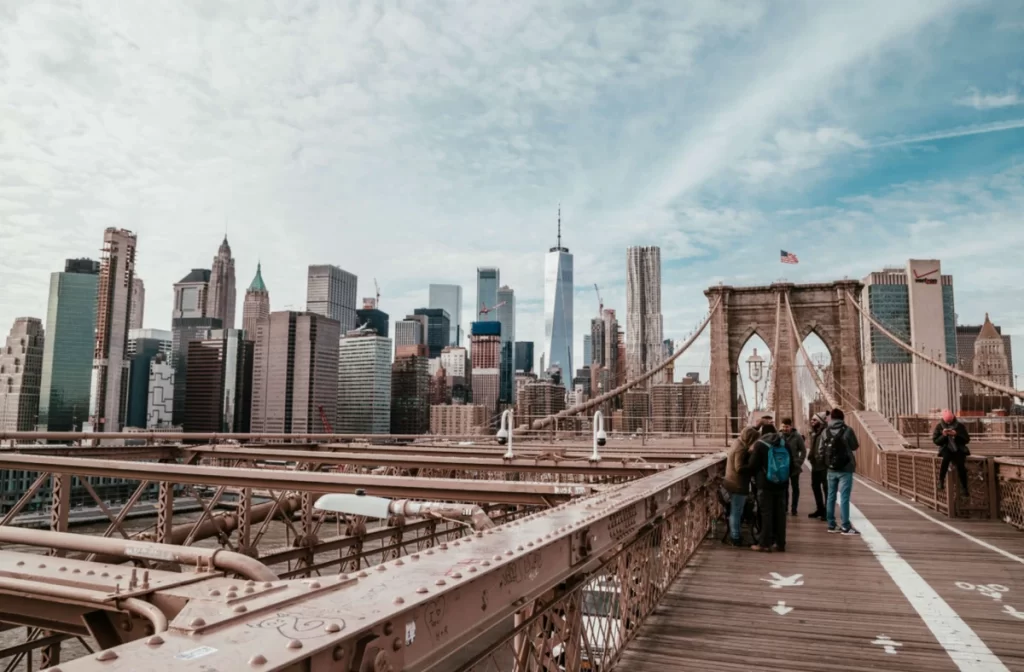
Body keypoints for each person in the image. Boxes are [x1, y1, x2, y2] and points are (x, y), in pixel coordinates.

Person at [746, 423, 793, 552]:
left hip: (765, 485)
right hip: (782, 484)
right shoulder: (784, 443)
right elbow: (792, 464)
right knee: (780, 514)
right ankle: (780, 543)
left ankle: (764, 544)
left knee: (766, 513)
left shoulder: (760, 444)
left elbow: (752, 466)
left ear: (762, 433)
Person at [822, 409, 859, 535]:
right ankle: (845, 526)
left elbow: (821, 450)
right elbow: (854, 446)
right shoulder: (848, 430)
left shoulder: (825, 431)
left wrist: (827, 463)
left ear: (831, 418)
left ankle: (831, 525)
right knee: (844, 497)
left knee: (831, 496)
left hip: (831, 469)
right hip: (846, 468)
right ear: (843, 418)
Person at [723, 427, 760, 547]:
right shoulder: (741, 449)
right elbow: (739, 467)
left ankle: (735, 535)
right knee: (736, 511)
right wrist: (752, 467)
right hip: (738, 484)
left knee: (735, 510)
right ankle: (735, 537)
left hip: (732, 482)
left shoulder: (737, 443)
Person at [933, 409, 971, 494]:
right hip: (946, 448)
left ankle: (964, 488)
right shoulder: (939, 426)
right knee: (945, 459)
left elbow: (966, 439)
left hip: (958, 448)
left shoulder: (960, 426)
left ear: (953, 418)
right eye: (948, 422)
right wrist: (943, 435)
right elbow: (936, 441)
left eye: (950, 421)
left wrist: (956, 435)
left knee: (961, 465)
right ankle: (941, 481)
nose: (949, 423)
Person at [779, 418, 807, 516]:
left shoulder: (797, 437)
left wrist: (799, 462)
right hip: (783, 466)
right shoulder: (779, 436)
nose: (784, 429)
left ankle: (794, 508)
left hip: (794, 466)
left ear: (791, 426)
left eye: (786, 427)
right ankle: (785, 507)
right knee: (784, 488)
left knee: (795, 487)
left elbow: (803, 450)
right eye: (783, 427)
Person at [806, 412, 829, 520]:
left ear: (821, 421)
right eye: (812, 420)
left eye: (814, 420)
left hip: (824, 465)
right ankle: (820, 509)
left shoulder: (825, 432)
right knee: (815, 487)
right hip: (816, 465)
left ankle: (827, 512)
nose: (812, 422)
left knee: (826, 489)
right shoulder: (814, 433)